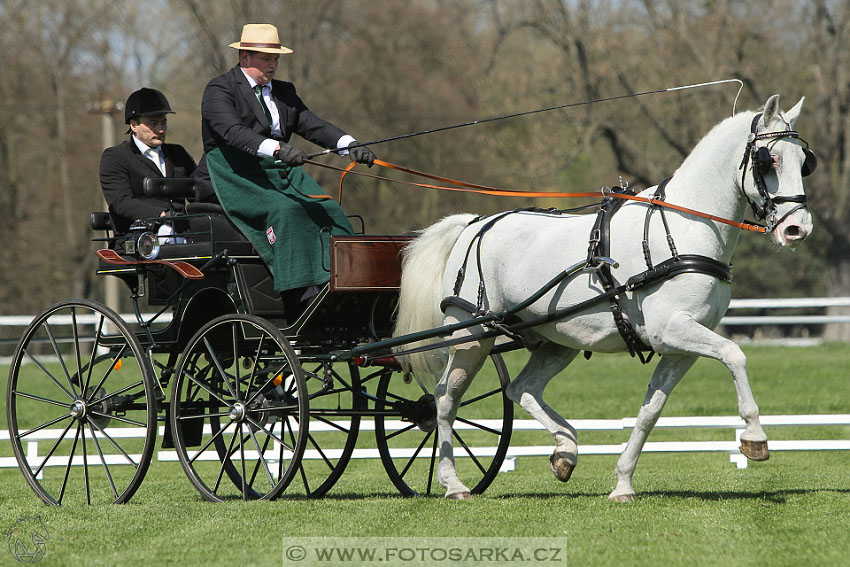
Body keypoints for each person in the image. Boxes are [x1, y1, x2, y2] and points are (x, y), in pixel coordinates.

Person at [195, 23, 377, 315]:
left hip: (279, 170)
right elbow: (232, 132)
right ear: (245, 57)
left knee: (331, 210)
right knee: (287, 212)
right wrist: (278, 148)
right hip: (235, 173)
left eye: (276, 59)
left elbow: (311, 124)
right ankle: (301, 296)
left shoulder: (284, 92)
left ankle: (347, 285)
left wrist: (349, 144)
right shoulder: (219, 89)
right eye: (267, 58)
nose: (273, 65)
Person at [99, 88, 197, 239]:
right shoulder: (116, 157)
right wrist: (161, 216)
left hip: (181, 232)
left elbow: (198, 189)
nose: (161, 130)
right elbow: (121, 202)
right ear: (133, 125)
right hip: (137, 238)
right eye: (153, 124)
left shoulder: (178, 154)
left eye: (164, 123)